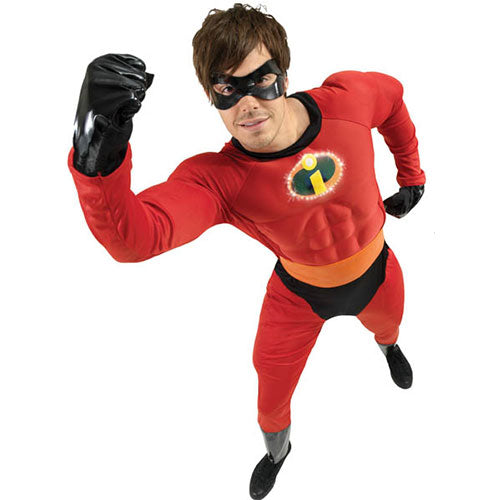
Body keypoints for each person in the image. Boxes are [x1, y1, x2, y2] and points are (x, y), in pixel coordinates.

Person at [67, 4, 425, 499]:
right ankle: (278, 452)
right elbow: (133, 240)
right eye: (227, 89)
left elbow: (393, 99)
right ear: (210, 96)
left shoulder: (348, 100)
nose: (248, 104)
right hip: (298, 297)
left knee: (388, 324)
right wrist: (98, 152)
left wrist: (412, 175)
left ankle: (388, 347)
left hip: (378, 273)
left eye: (262, 80)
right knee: (270, 395)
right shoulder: (219, 179)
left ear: (284, 75)